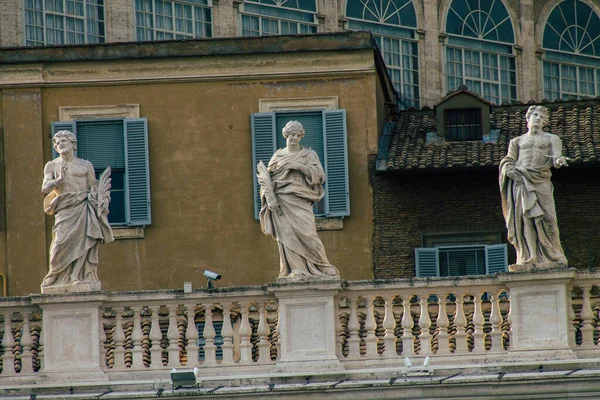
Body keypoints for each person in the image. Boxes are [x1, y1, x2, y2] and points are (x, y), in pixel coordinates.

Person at [258, 121, 339, 279]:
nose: (294, 138)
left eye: (297, 135)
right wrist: (270, 198)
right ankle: (296, 269)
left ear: (301, 136)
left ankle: (322, 265)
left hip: (301, 200)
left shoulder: (309, 155)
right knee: (287, 236)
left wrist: (298, 166)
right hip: (282, 202)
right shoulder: (278, 156)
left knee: (308, 233)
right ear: (285, 135)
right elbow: (266, 181)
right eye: (291, 134)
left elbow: (320, 176)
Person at [41, 130, 114, 289]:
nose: (61, 145)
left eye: (64, 141)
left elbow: (94, 187)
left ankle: (76, 275)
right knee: (59, 243)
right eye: (58, 143)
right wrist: (58, 180)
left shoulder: (85, 165)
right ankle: (55, 274)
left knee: (84, 241)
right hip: (65, 209)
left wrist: (102, 200)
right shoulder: (52, 165)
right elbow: (45, 188)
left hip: (84, 206)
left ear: (72, 144)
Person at [499, 105, 568, 267]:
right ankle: (530, 256)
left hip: (541, 179)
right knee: (526, 219)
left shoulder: (552, 138)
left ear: (544, 122)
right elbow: (509, 160)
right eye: (535, 116)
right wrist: (508, 170)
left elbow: (556, 159)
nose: (538, 119)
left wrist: (558, 161)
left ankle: (556, 253)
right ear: (528, 118)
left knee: (549, 217)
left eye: (541, 118)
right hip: (521, 180)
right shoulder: (516, 141)